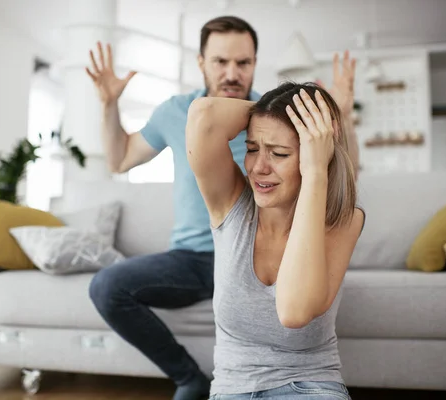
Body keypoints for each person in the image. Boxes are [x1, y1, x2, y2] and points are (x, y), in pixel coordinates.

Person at [86, 16, 262, 400]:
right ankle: (189, 378)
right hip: (192, 261)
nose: (232, 73)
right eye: (220, 61)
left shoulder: (271, 115)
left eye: (243, 63)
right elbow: (119, 160)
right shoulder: (175, 111)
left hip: (255, 257)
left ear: (254, 64)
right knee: (106, 286)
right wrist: (109, 104)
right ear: (201, 62)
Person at [185, 82, 365, 400]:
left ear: (317, 153)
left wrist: (315, 173)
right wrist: (285, 111)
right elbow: (204, 114)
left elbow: (293, 312)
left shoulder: (343, 221)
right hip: (233, 389)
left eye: (279, 153)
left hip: (310, 385)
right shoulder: (229, 203)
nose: (258, 167)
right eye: (252, 148)